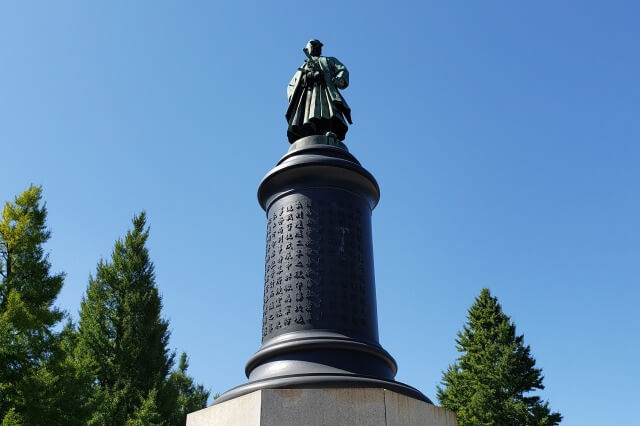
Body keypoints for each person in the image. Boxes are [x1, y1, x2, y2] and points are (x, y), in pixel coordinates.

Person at [286, 39, 352, 143]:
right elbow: (292, 85)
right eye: (314, 46)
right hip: (308, 92)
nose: (317, 48)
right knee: (308, 111)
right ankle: (308, 132)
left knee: (328, 110)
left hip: (325, 90)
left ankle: (328, 130)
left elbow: (342, 70)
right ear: (308, 48)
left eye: (319, 46)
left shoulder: (329, 60)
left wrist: (338, 79)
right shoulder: (304, 65)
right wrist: (307, 76)